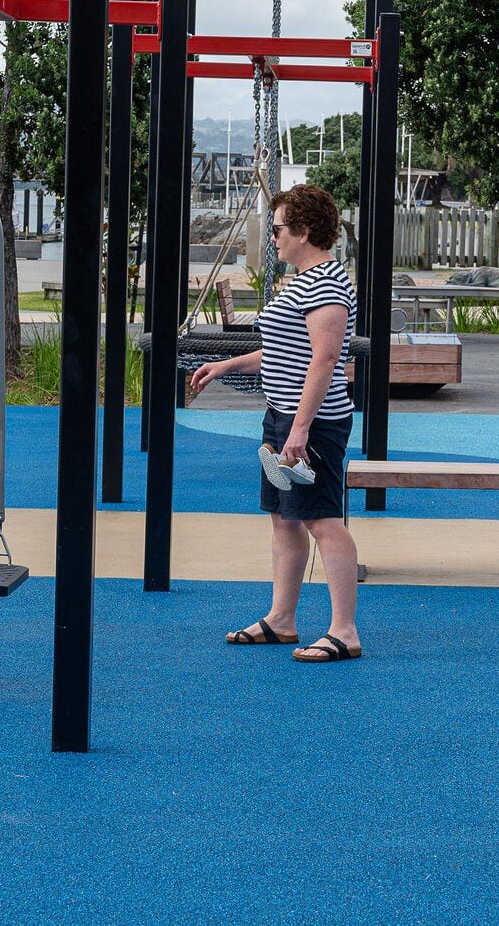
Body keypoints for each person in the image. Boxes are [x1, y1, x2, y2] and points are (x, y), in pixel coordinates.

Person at [189, 184, 362, 663]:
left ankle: (344, 631)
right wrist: (226, 366)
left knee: (321, 518)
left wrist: (301, 429)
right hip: (282, 419)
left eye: (280, 229)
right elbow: (286, 350)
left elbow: (325, 360)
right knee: (284, 518)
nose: (274, 238)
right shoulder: (302, 282)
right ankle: (282, 620)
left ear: (304, 232)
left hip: (313, 424)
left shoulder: (327, 283)